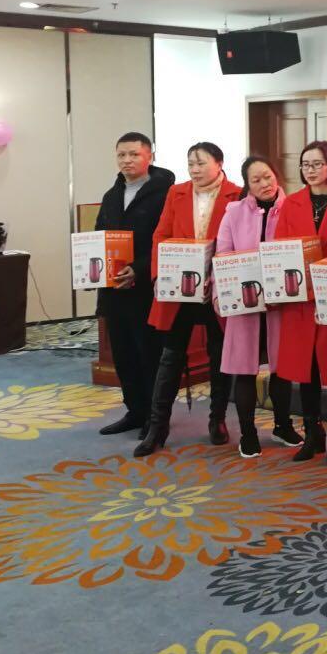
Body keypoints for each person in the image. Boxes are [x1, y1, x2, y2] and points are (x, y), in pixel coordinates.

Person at [138, 143, 262, 457]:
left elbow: (242, 242)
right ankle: (157, 426)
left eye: (201, 163)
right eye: (190, 163)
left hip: (218, 288)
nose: (194, 170)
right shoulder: (176, 192)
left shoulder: (237, 194)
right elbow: (160, 235)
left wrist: (218, 277)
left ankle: (217, 419)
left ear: (219, 163)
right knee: (170, 356)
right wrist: (159, 275)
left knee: (220, 354)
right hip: (180, 287)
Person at [274, 141, 327, 465]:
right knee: (306, 369)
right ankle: (313, 433)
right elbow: (279, 246)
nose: (310, 170)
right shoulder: (291, 203)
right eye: (305, 164)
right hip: (300, 298)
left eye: (317, 164)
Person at [216, 156, 299, 458]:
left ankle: (282, 425)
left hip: (281, 304)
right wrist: (221, 293)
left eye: (268, 177)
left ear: (276, 176)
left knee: (282, 368)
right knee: (244, 369)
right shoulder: (234, 213)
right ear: (247, 185)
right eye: (256, 180)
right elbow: (223, 254)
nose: (265, 184)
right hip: (245, 303)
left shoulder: (293, 209)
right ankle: (248, 433)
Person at [93, 132, 174, 437]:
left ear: (149, 156)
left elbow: (168, 240)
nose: (127, 160)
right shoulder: (111, 195)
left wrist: (139, 269)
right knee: (123, 353)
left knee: (149, 353)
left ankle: (156, 416)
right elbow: (99, 237)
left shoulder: (167, 194)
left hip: (146, 288)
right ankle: (135, 411)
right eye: (121, 155)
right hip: (114, 289)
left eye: (134, 154)